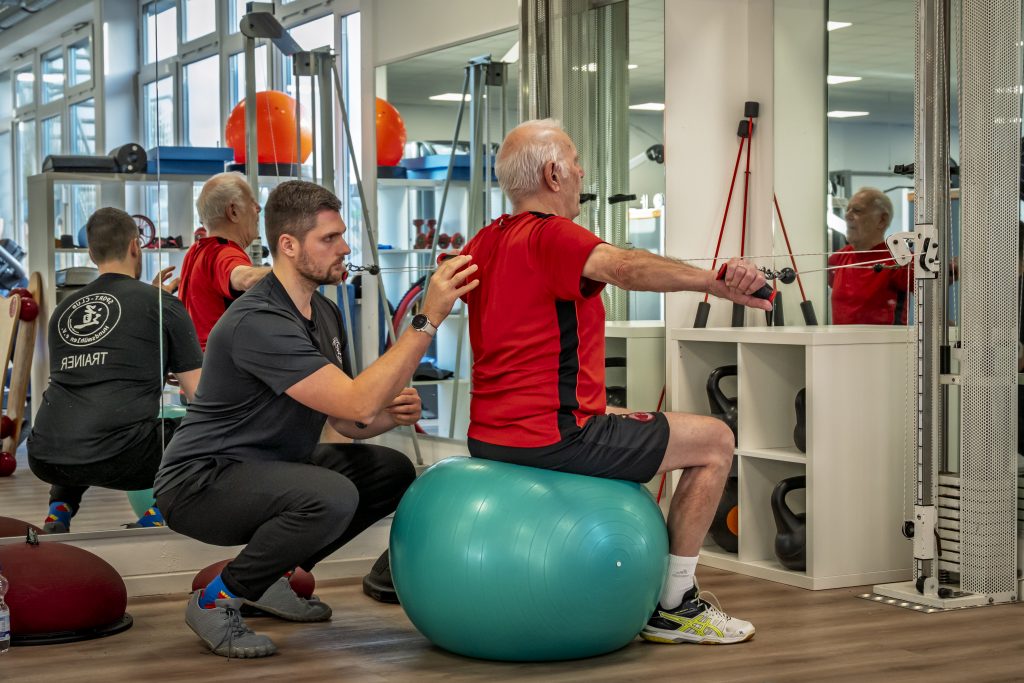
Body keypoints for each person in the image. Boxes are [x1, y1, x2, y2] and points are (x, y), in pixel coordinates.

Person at [458, 119, 770, 645]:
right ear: (554, 174)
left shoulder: (484, 240)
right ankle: (675, 604)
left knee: (632, 422)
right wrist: (713, 282)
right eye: (576, 161)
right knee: (716, 440)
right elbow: (624, 267)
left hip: (491, 433)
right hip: (555, 436)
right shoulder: (552, 233)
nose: (582, 171)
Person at [153, 180, 477, 658]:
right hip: (201, 481)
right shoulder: (258, 320)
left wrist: (388, 416)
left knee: (389, 472)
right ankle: (214, 600)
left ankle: (266, 580)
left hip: (268, 467)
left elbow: (349, 421)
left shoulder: (323, 312)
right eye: (329, 238)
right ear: (288, 245)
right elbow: (356, 405)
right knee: (330, 495)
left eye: (342, 235)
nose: (344, 248)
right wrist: (426, 318)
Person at [28, 207, 202, 533]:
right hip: (124, 458)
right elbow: (201, 397)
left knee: (81, 418)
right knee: (205, 425)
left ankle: (59, 511)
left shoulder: (64, 309)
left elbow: (100, 370)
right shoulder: (162, 305)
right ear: (136, 246)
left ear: (91, 253)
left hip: (47, 456)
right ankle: (157, 515)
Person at [178, 171, 271, 350]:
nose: (258, 208)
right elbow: (246, 278)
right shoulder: (222, 253)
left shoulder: (196, 251)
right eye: (252, 201)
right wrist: (301, 267)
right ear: (233, 211)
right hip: (222, 368)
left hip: (202, 364)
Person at [827, 187, 914, 325]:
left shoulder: (898, 258)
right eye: (847, 210)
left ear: (881, 220)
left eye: (857, 210)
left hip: (884, 345)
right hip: (841, 345)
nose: (847, 215)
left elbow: (935, 284)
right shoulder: (839, 258)